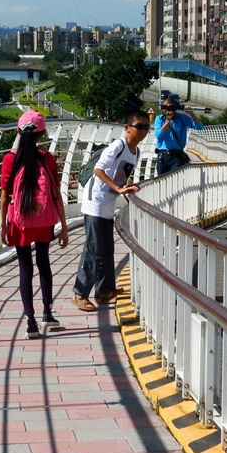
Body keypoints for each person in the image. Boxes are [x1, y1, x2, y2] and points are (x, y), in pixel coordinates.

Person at [72, 110, 151, 312]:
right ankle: (79, 294)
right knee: (94, 249)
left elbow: (120, 176)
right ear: (127, 128)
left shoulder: (136, 153)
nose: (142, 131)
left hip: (107, 204)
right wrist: (118, 189)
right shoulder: (119, 146)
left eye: (146, 127)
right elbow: (98, 170)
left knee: (107, 249)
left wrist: (126, 187)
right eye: (139, 126)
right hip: (95, 202)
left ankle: (105, 290)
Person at [0, 110, 69, 339]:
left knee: (24, 268)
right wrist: (64, 227)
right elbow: (56, 193)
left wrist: (3, 226)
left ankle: (30, 322)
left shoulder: (10, 159)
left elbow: (4, 196)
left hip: (19, 221)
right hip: (43, 219)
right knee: (44, 262)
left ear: (19, 131)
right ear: (42, 134)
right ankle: (47, 312)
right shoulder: (47, 158)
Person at [154, 94, 203, 176]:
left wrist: (191, 113)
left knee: (174, 179)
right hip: (162, 155)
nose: (168, 111)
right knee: (161, 181)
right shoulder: (159, 119)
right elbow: (158, 135)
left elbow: (199, 126)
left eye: (170, 108)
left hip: (176, 156)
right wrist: (168, 121)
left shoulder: (182, 118)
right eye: (165, 108)